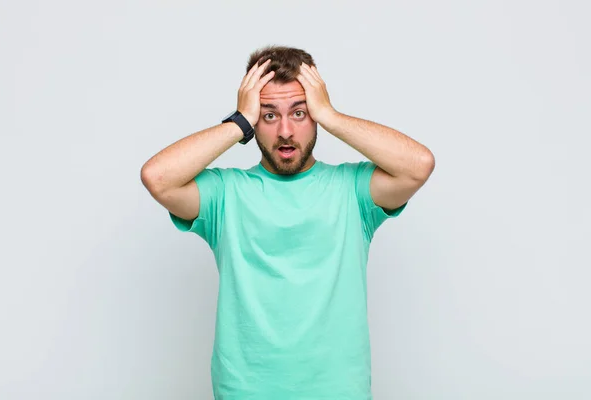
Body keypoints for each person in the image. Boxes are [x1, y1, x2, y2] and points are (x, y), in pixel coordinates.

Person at [140, 45, 435, 400]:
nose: (285, 131)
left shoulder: (352, 190)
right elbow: (157, 177)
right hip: (245, 392)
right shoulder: (226, 194)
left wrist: (332, 116)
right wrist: (239, 122)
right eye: (268, 116)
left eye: (299, 113)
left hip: (338, 391)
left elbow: (419, 165)